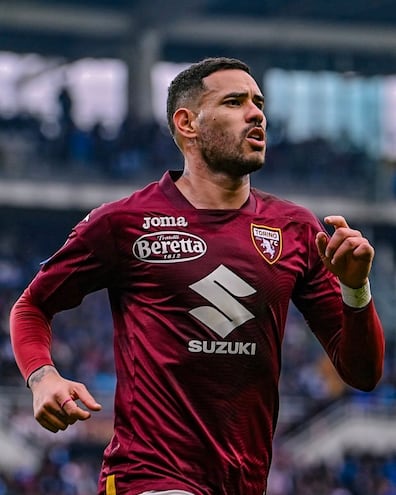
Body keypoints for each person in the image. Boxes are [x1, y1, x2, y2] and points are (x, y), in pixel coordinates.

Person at [10, 57, 385, 495]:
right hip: (148, 478)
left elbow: (362, 373)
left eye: (258, 102)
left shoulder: (297, 230)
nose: (256, 112)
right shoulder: (124, 222)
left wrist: (355, 288)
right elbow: (32, 306)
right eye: (234, 101)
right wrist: (43, 376)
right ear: (187, 123)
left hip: (244, 481)